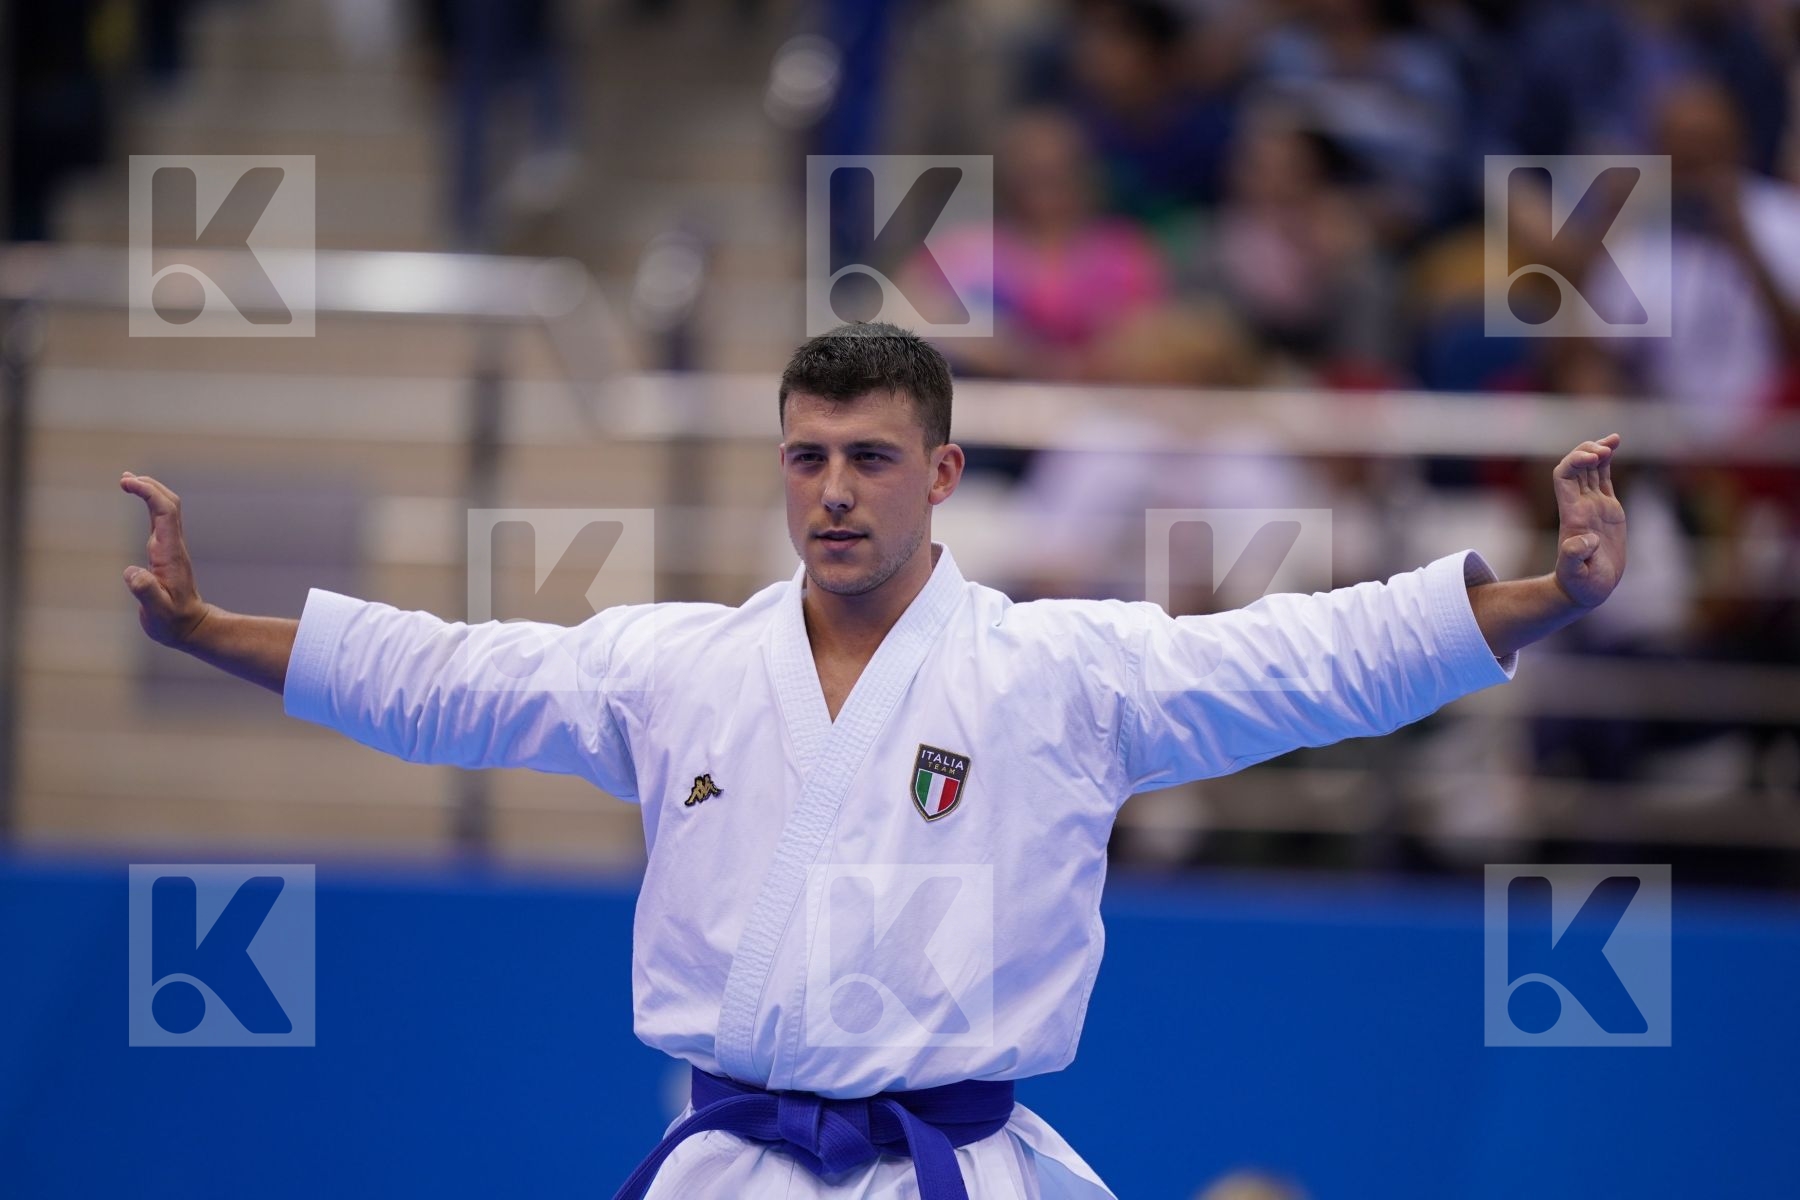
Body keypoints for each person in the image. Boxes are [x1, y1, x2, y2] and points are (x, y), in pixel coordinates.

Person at [120, 322, 1628, 1199]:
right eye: (806, 457)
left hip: (952, 1165)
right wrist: (207, 628)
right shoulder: (676, 668)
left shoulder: (1059, 673)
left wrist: (1544, 598)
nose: (834, 493)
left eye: (871, 459)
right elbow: (447, 679)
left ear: (945, 473)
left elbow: (1311, 658)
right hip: (732, 1165)